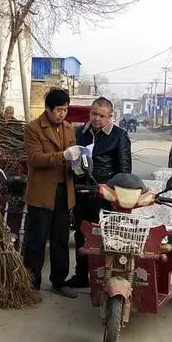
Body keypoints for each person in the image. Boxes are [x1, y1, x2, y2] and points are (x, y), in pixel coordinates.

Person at [66, 97, 132, 288]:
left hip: (106, 196)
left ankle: (105, 277)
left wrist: (114, 192)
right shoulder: (79, 133)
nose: (97, 119)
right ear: (90, 113)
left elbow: (124, 171)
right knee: (81, 234)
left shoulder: (119, 136)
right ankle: (81, 275)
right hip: (81, 193)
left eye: (102, 115)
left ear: (110, 117)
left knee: (106, 238)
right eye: (94, 113)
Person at [23, 89, 82, 298]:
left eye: (65, 110)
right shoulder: (34, 129)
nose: (62, 114)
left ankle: (59, 281)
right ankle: (32, 284)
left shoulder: (68, 128)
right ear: (48, 109)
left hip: (64, 191)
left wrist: (79, 162)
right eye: (59, 110)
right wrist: (62, 156)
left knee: (61, 238)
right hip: (41, 192)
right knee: (36, 240)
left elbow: (73, 156)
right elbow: (35, 159)